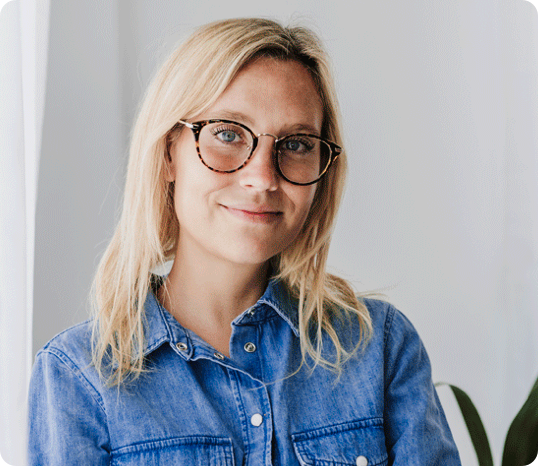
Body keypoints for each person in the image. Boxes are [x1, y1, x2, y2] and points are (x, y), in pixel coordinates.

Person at [28, 17, 461, 465]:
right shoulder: (78, 375)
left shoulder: (379, 348)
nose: (262, 177)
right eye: (228, 134)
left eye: (296, 144)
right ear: (169, 153)